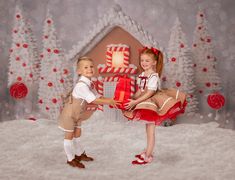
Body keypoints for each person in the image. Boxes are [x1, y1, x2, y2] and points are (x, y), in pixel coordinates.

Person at [124, 47, 187, 165]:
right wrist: (133, 98)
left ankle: (148, 155)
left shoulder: (153, 76)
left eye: (147, 61)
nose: (144, 63)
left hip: (152, 102)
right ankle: (147, 150)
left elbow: (149, 92)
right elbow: (140, 91)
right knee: (147, 129)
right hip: (144, 101)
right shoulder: (142, 74)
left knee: (150, 131)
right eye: (142, 60)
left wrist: (135, 102)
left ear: (154, 62)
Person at [58, 56, 120, 169]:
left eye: (91, 66)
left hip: (77, 115)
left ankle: (79, 154)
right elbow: (93, 100)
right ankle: (70, 159)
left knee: (77, 134)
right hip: (69, 115)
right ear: (79, 71)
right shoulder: (81, 85)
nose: (90, 69)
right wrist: (110, 101)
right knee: (69, 136)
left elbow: (97, 96)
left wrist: (110, 100)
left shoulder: (90, 83)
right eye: (85, 67)